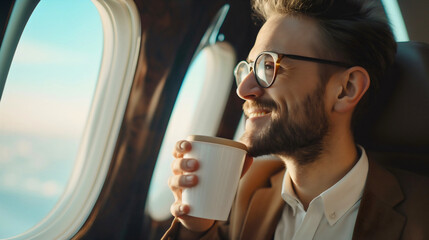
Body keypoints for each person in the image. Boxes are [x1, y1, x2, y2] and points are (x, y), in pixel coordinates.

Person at [163, 0, 429, 239]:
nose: (243, 90)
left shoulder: (421, 215)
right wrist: (195, 230)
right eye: (247, 68)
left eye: (268, 66)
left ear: (346, 89)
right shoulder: (243, 191)